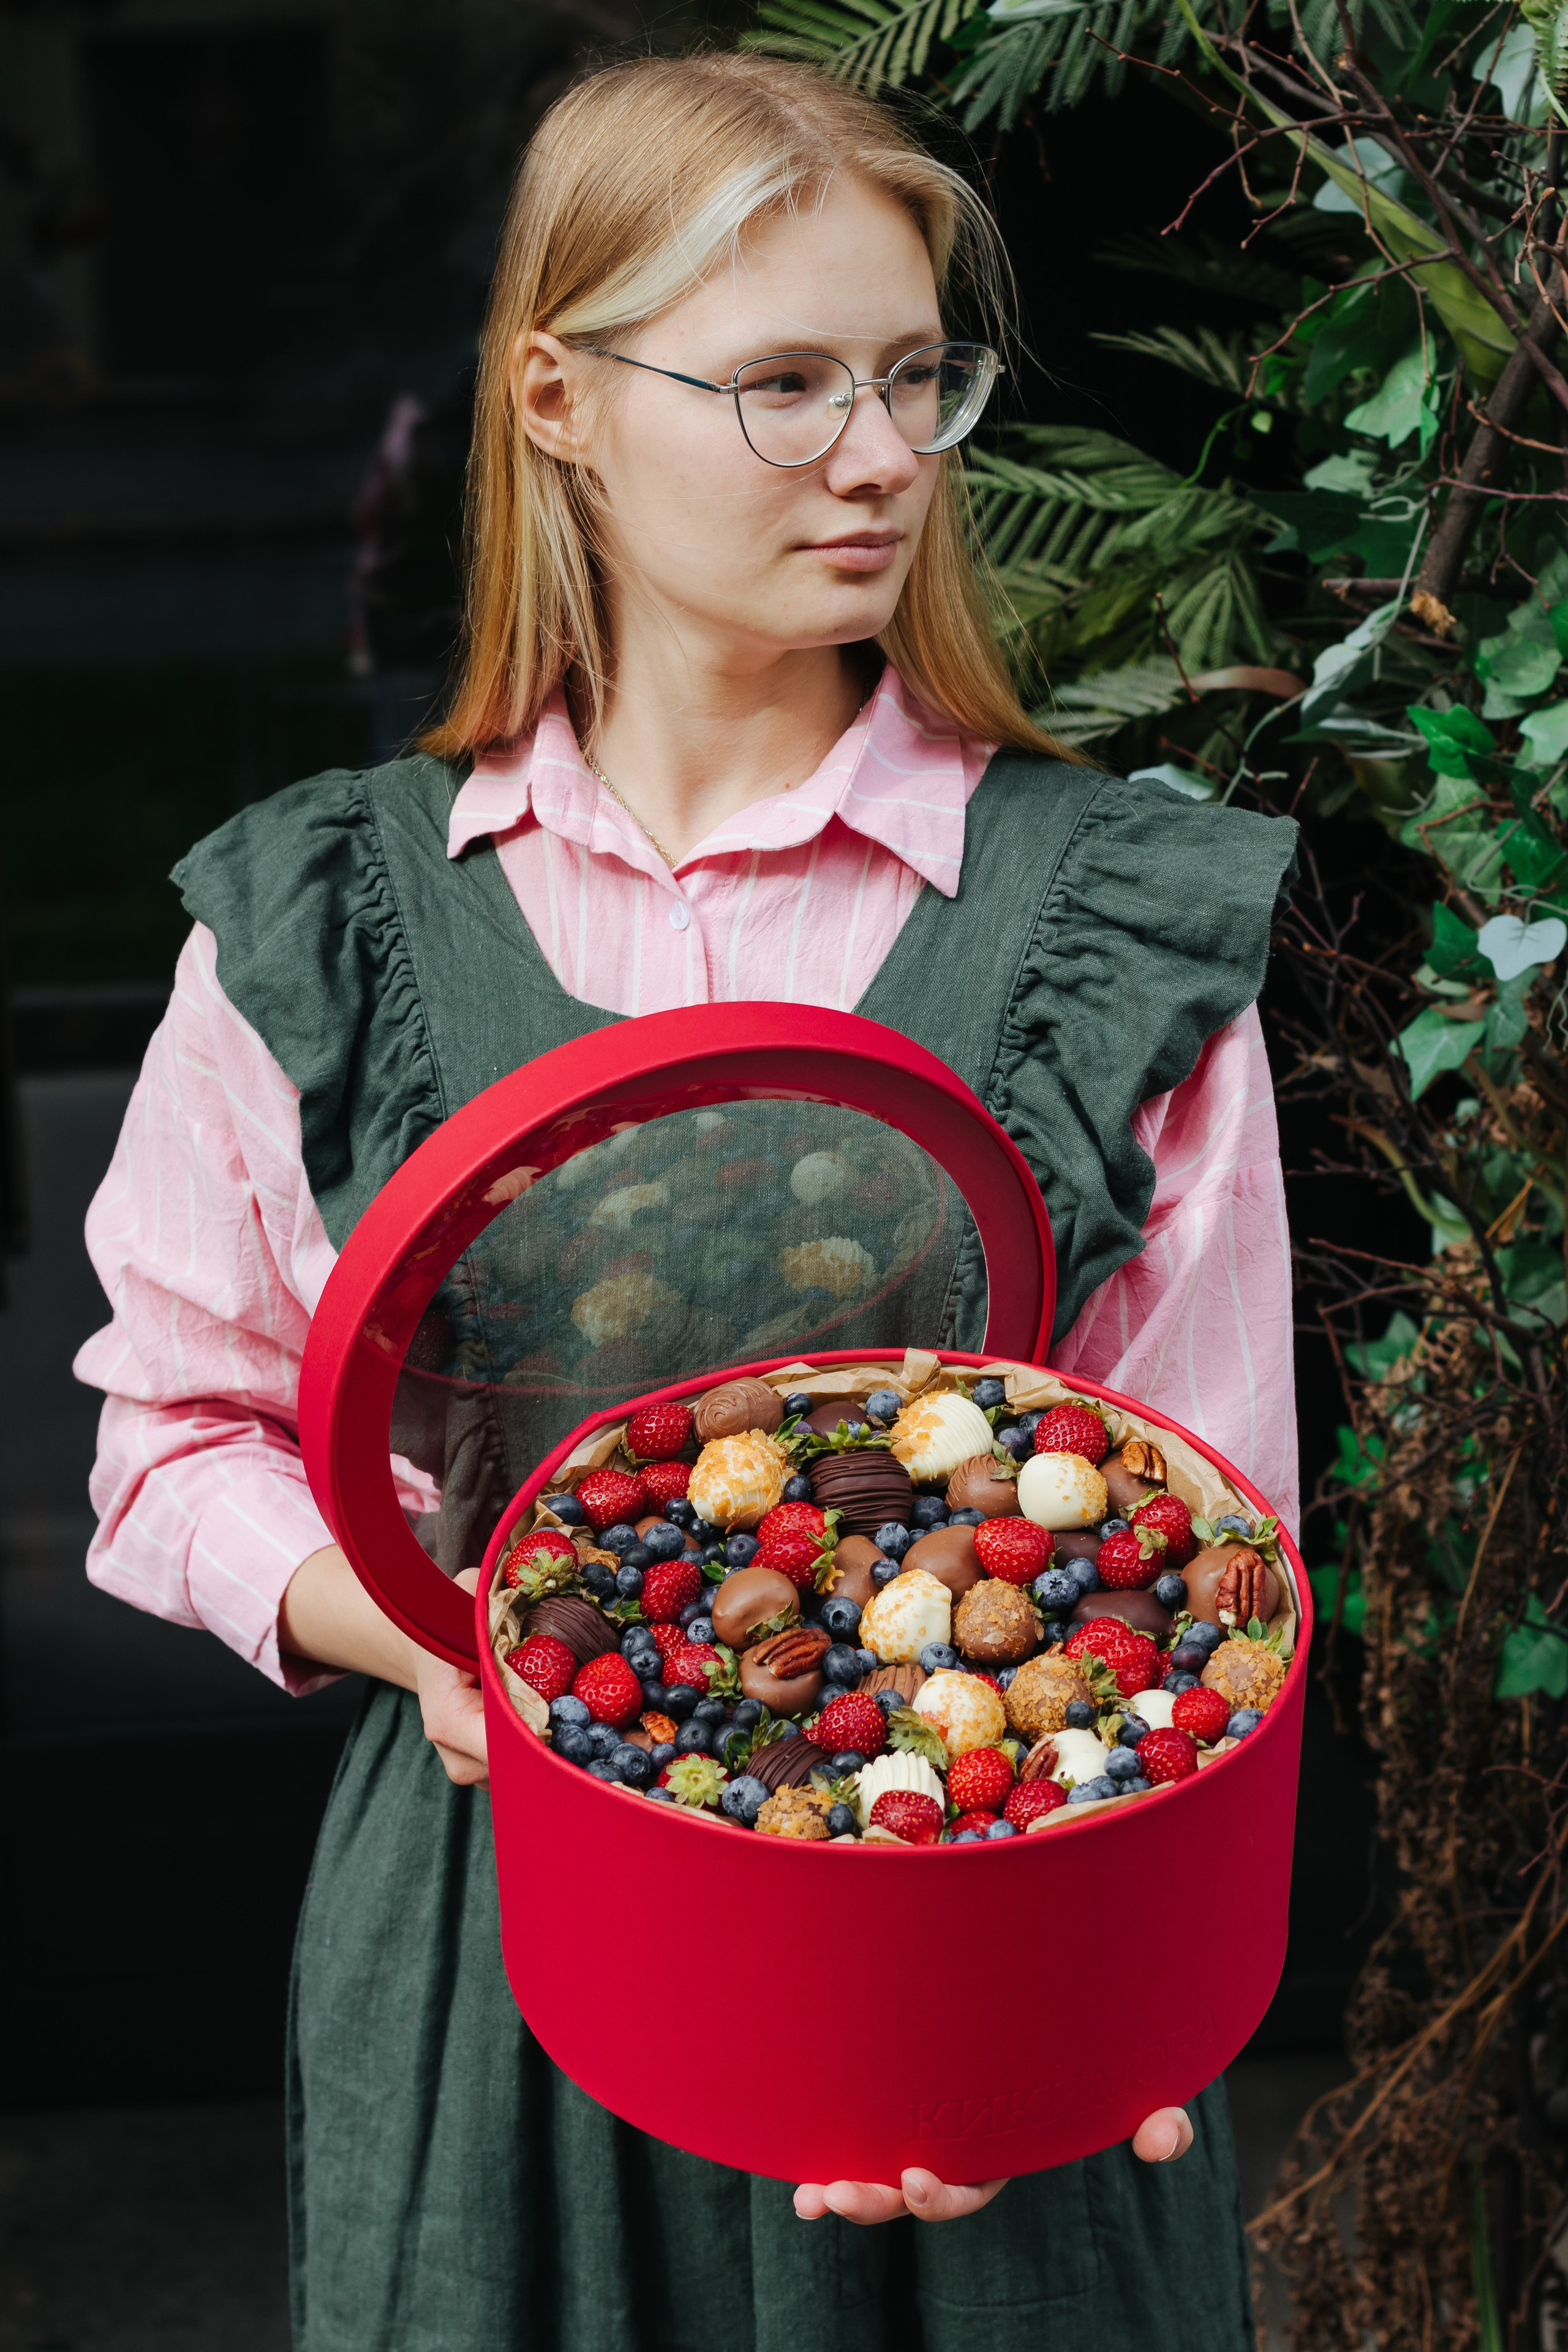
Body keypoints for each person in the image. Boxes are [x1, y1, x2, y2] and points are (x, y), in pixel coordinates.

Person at [77, 51, 1297, 2352]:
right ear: (558, 396)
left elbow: (1209, 1541)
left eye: (918, 375)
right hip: (503, 1974)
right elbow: (171, 1441)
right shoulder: (325, 922)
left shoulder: (1112, 921)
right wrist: (437, 1642)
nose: (878, 456)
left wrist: (1079, 1999)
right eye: (783, 384)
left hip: (978, 1971)